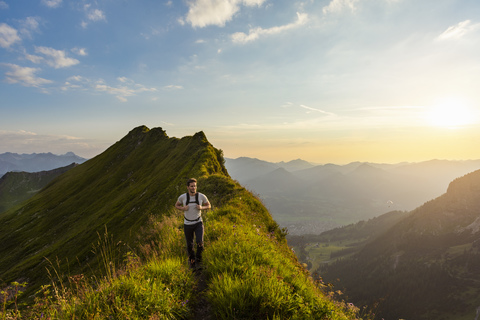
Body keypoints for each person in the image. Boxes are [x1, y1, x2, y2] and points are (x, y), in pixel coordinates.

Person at [175, 178, 211, 269]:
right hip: (187, 224)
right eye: (192, 186)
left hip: (198, 222)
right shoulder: (182, 197)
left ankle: (199, 260)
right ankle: (192, 263)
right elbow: (176, 205)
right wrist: (183, 208)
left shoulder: (201, 196)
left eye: (195, 186)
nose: (194, 188)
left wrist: (201, 208)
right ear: (188, 187)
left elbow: (209, 205)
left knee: (200, 242)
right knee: (190, 245)